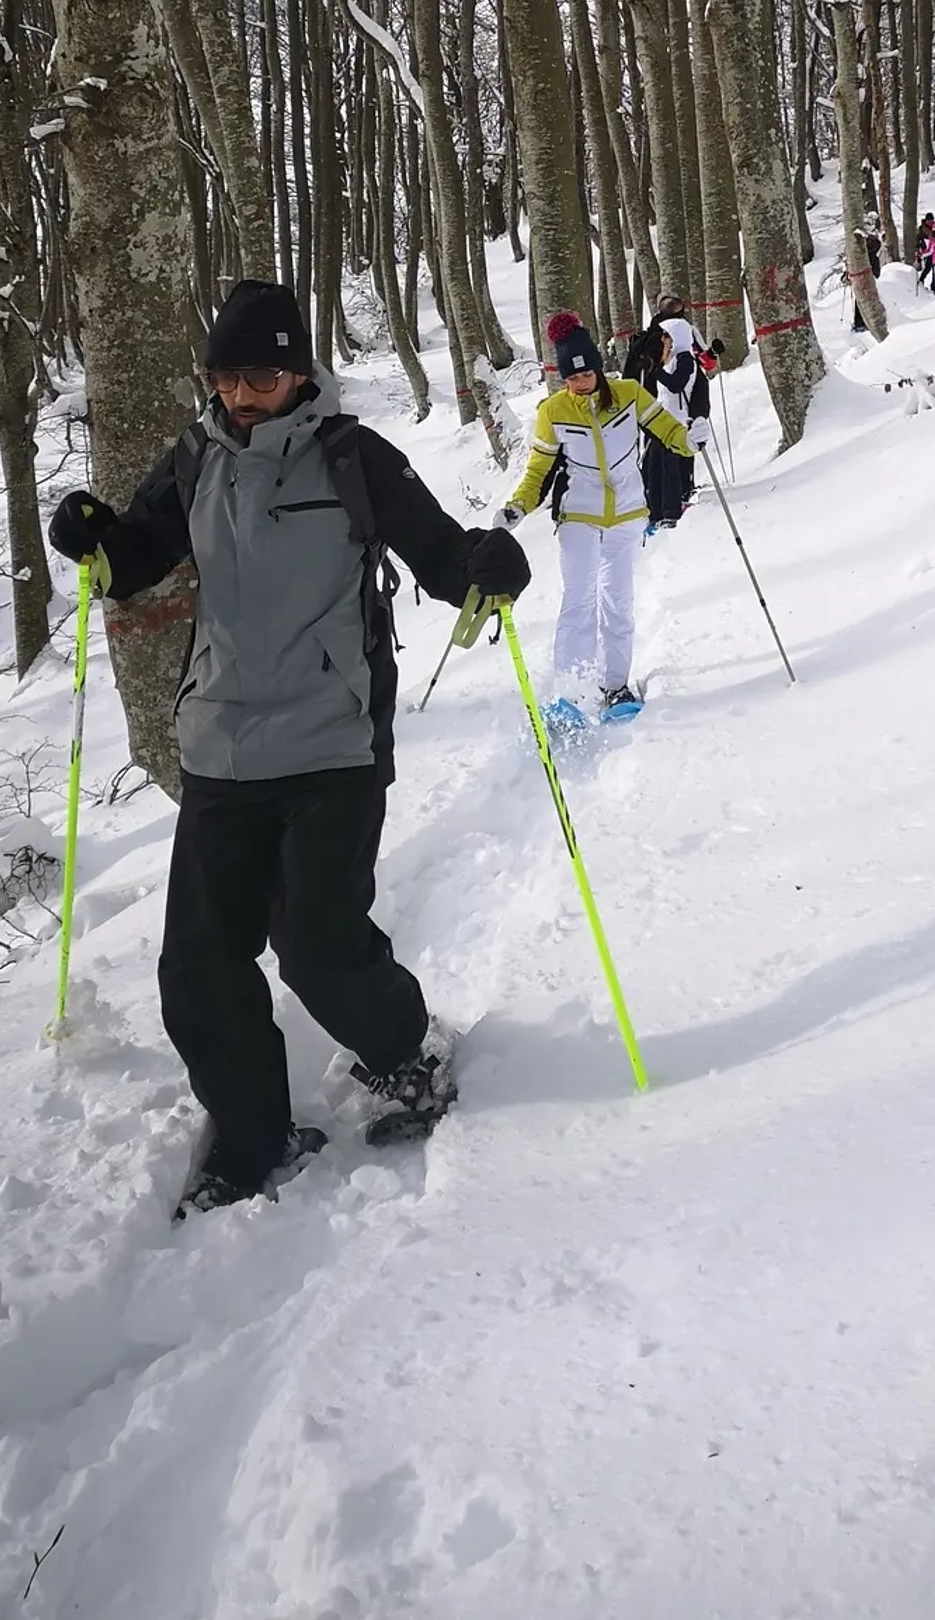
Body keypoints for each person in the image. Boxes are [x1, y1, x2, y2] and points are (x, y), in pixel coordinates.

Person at [47, 279, 529, 1213]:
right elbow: (135, 556)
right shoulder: (194, 457)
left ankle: (402, 1054)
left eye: (260, 375)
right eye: (226, 377)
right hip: (221, 743)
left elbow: (439, 553)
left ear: (298, 371)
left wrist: (486, 565)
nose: (240, 395)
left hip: (331, 742)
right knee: (197, 968)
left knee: (318, 946)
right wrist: (92, 534)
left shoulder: (353, 457)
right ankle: (255, 1137)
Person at [501, 311, 693, 724]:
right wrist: (518, 505)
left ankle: (615, 686)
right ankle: (569, 693)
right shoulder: (553, 412)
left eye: (585, 374)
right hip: (580, 516)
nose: (580, 384)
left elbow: (665, 427)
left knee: (618, 602)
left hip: (627, 515)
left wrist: (688, 439)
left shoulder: (628, 395)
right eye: (571, 379)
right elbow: (539, 469)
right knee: (578, 603)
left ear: (597, 369)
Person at [625, 290, 716, 527]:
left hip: (672, 416)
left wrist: (654, 371)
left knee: (668, 463)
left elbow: (679, 382)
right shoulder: (673, 338)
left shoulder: (680, 343)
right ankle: (658, 508)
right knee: (657, 463)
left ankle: (670, 507)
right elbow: (706, 362)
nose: (663, 339)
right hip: (661, 413)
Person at [848, 228, 884, 334]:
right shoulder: (871, 250)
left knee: (861, 299)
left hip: (866, 276)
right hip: (869, 275)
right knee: (865, 300)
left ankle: (860, 324)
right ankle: (863, 323)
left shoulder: (866, 250)